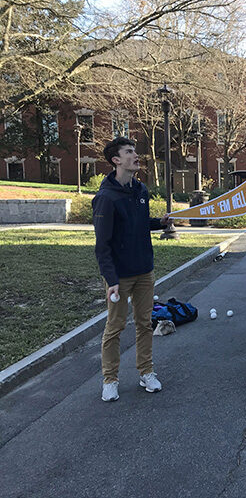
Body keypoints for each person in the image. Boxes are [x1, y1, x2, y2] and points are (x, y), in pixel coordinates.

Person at [92, 137, 172, 402]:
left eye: (135, 151)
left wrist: (158, 223)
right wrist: (111, 279)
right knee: (114, 327)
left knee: (145, 325)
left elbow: (137, 225)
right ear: (116, 160)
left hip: (144, 271)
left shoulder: (140, 190)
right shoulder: (105, 198)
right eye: (129, 152)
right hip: (119, 277)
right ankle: (110, 380)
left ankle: (146, 372)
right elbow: (102, 246)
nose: (136, 155)